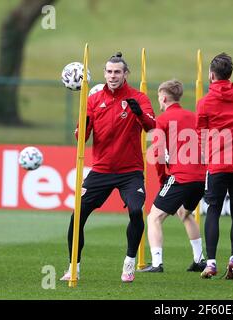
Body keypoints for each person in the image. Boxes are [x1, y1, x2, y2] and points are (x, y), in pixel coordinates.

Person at [60, 52, 156, 283]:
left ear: (125, 74)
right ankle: (74, 266)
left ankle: (130, 262)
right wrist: (82, 126)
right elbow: (81, 138)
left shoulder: (138, 97)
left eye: (117, 72)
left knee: (135, 211)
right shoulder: (93, 100)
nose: (113, 76)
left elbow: (152, 127)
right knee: (77, 215)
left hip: (130, 171)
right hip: (101, 170)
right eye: (109, 72)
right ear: (104, 74)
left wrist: (139, 113)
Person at [196, 53, 233, 279]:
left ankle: (210, 263)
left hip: (217, 162)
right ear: (230, 73)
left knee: (213, 209)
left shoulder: (205, 101)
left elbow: (200, 131)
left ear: (211, 75)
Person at [138, 79, 207, 273]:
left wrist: (163, 179)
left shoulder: (162, 120)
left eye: (159, 96)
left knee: (153, 217)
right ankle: (199, 260)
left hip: (180, 176)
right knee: (184, 213)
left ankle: (157, 263)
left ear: (164, 97)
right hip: (201, 177)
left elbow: (158, 152)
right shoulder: (194, 117)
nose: (158, 100)